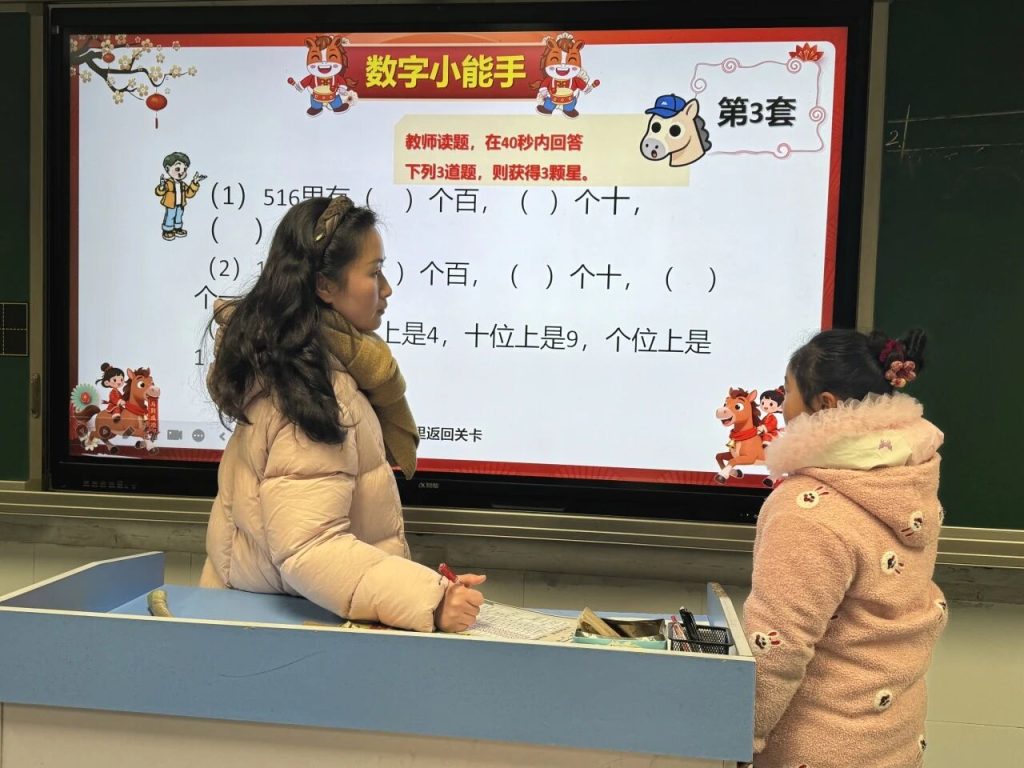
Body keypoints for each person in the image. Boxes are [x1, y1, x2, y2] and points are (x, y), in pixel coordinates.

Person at [199, 195, 485, 633]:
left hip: (267, 628)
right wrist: (430, 601)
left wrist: (429, 589)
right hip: (291, 642)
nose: (386, 289)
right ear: (325, 286)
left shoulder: (295, 366)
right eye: (374, 272)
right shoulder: (313, 390)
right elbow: (310, 549)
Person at [743, 328, 946, 767]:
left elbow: (777, 646)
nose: (783, 406)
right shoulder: (911, 479)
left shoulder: (806, 509)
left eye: (788, 392)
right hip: (891, 740)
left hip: (815, 746)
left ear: (825, 404)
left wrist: (738, 736)